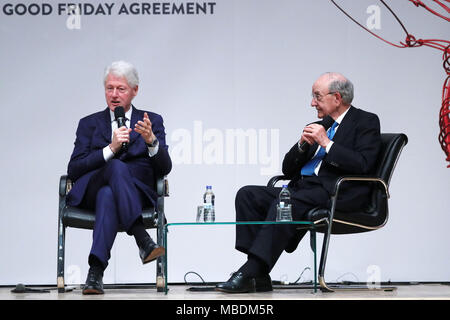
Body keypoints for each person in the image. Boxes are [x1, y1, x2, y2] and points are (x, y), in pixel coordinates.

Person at [216, 72, 381, 293]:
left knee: (287, 202)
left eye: (317, 97)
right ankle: (260, 273)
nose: (313, 103)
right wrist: (303, 145)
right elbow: (287, 169)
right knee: (248, 195)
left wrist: (327, 143)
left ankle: (249, 271)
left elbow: (363, 164)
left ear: (337, 98)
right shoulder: (319, 124)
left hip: (337, 192)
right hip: (304, 189)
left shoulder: (366, 121)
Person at [66, 61, 172, 295]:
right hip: (91, 189)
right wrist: (110, 149)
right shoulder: (89, 123)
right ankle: (142, 238)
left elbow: (165, 167)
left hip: (136, 193)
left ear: (135, 90)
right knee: (113, 167)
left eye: (120, 89)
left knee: (109, 194)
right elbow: (74, 169)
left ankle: (95, 272)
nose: (114, 95)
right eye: (109, 88)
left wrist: (151, 142)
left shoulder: (151, 121)